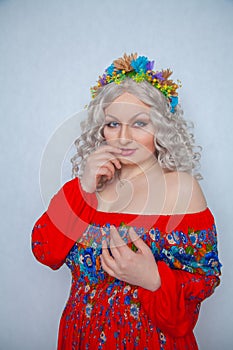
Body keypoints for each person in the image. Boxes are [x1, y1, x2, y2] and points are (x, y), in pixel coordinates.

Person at [32, 53, 221, 350]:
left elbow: (204, 279)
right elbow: (46, 252)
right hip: (81, 336)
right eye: (112, 124)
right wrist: (83, 187)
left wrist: (153, 278)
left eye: (140, 123)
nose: (123, 137)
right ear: (101, 129)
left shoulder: (180, 188)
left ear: (161, 128)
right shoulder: (86, 188)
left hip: (150, 339)